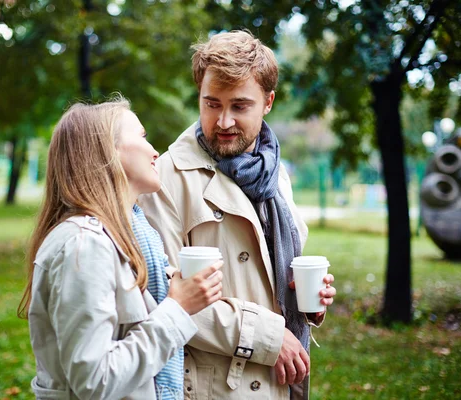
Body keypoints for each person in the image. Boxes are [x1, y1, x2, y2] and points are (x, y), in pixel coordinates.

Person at [138, 31, 336, 399]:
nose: (223, 121)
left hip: (278, 381)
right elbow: (161, 298)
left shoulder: (275, 173)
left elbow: (270, 275)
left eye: (239, 106)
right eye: (212, 104)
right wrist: (269, 337)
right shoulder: (165, 177)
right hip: (214, 386)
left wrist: (307, 300)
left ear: (268, 102)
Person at [17, 98, 224, 399]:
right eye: (141, 136)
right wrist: (176, 310)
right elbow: (94, 380)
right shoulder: (84, 246)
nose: (155, 151)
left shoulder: (126, 238)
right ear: (107, 151)